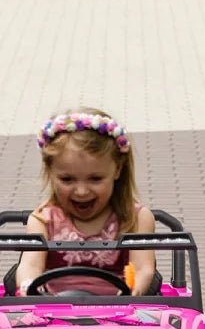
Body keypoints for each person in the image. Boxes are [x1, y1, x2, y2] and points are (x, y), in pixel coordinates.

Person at [13, 108, 156, 295]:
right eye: (67, 179)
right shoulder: (43, 220)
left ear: (118, 169)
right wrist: (28, 286)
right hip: (53, 314)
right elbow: (30, 265)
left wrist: (132, 292)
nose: (81, 191)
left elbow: (142, 268)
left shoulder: (135, 218)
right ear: (50, 172)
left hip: (119, 314)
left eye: (95, 179)